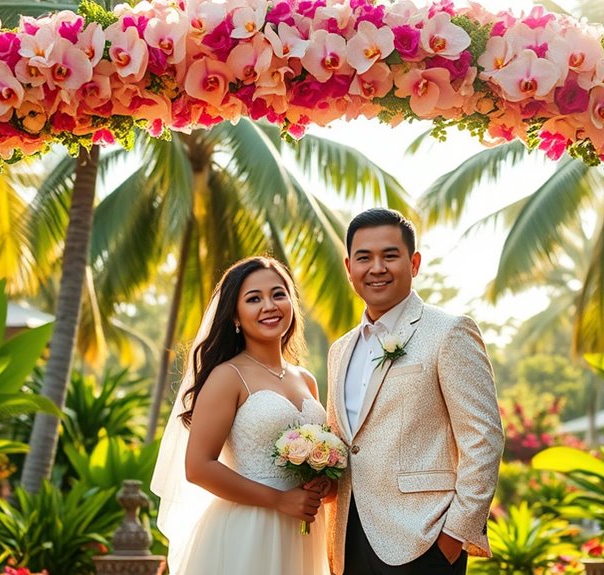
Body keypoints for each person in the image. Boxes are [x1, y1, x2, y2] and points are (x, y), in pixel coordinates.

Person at [322, 208, 504, 575]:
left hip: (424, 540)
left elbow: (483, 438)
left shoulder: (449, 332)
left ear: (414, 263)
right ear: (349, 267)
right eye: (364, 258)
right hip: (348, 538)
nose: (377, 268)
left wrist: (453, 537)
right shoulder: (339, 350)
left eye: (390, 256)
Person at [150, 256, 330, 575]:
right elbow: (198, 467)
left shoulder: (306, 379)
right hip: (251, 529)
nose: (269, 306)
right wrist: (279, 500)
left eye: (278, 294)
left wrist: (323, 483)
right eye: (253, 299)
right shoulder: (228, 376)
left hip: (303, 530)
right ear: (235, 314)